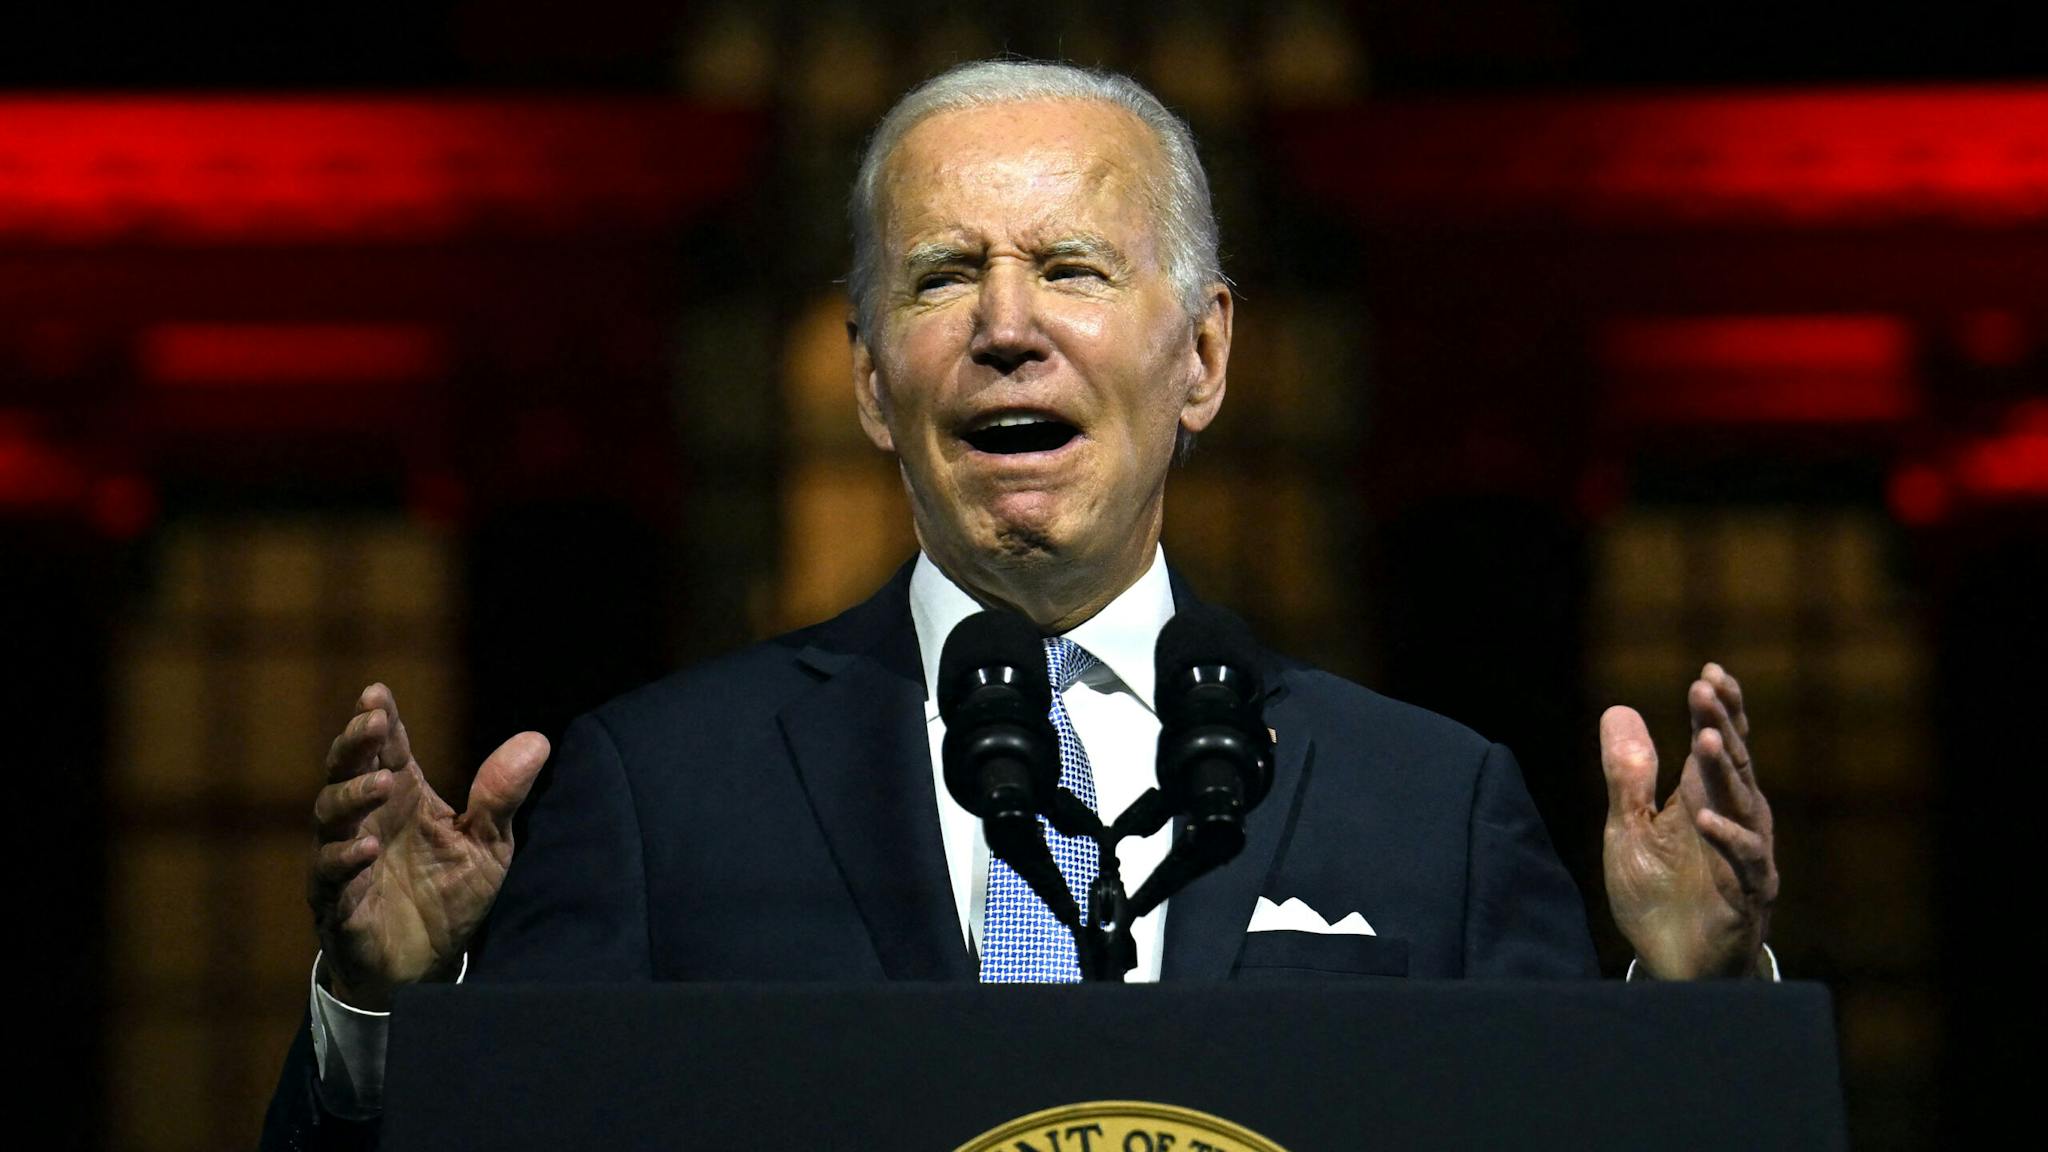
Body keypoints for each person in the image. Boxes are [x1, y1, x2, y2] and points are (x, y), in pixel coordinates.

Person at [262, 60, 1779, 1148]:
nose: (1005, 327)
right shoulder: (658, 791)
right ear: (871, 379)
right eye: (941, 277)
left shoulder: (1432, 805)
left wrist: (1697, 1009)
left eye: (1071, 268)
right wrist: (387, 1022)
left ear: (1203, 357)